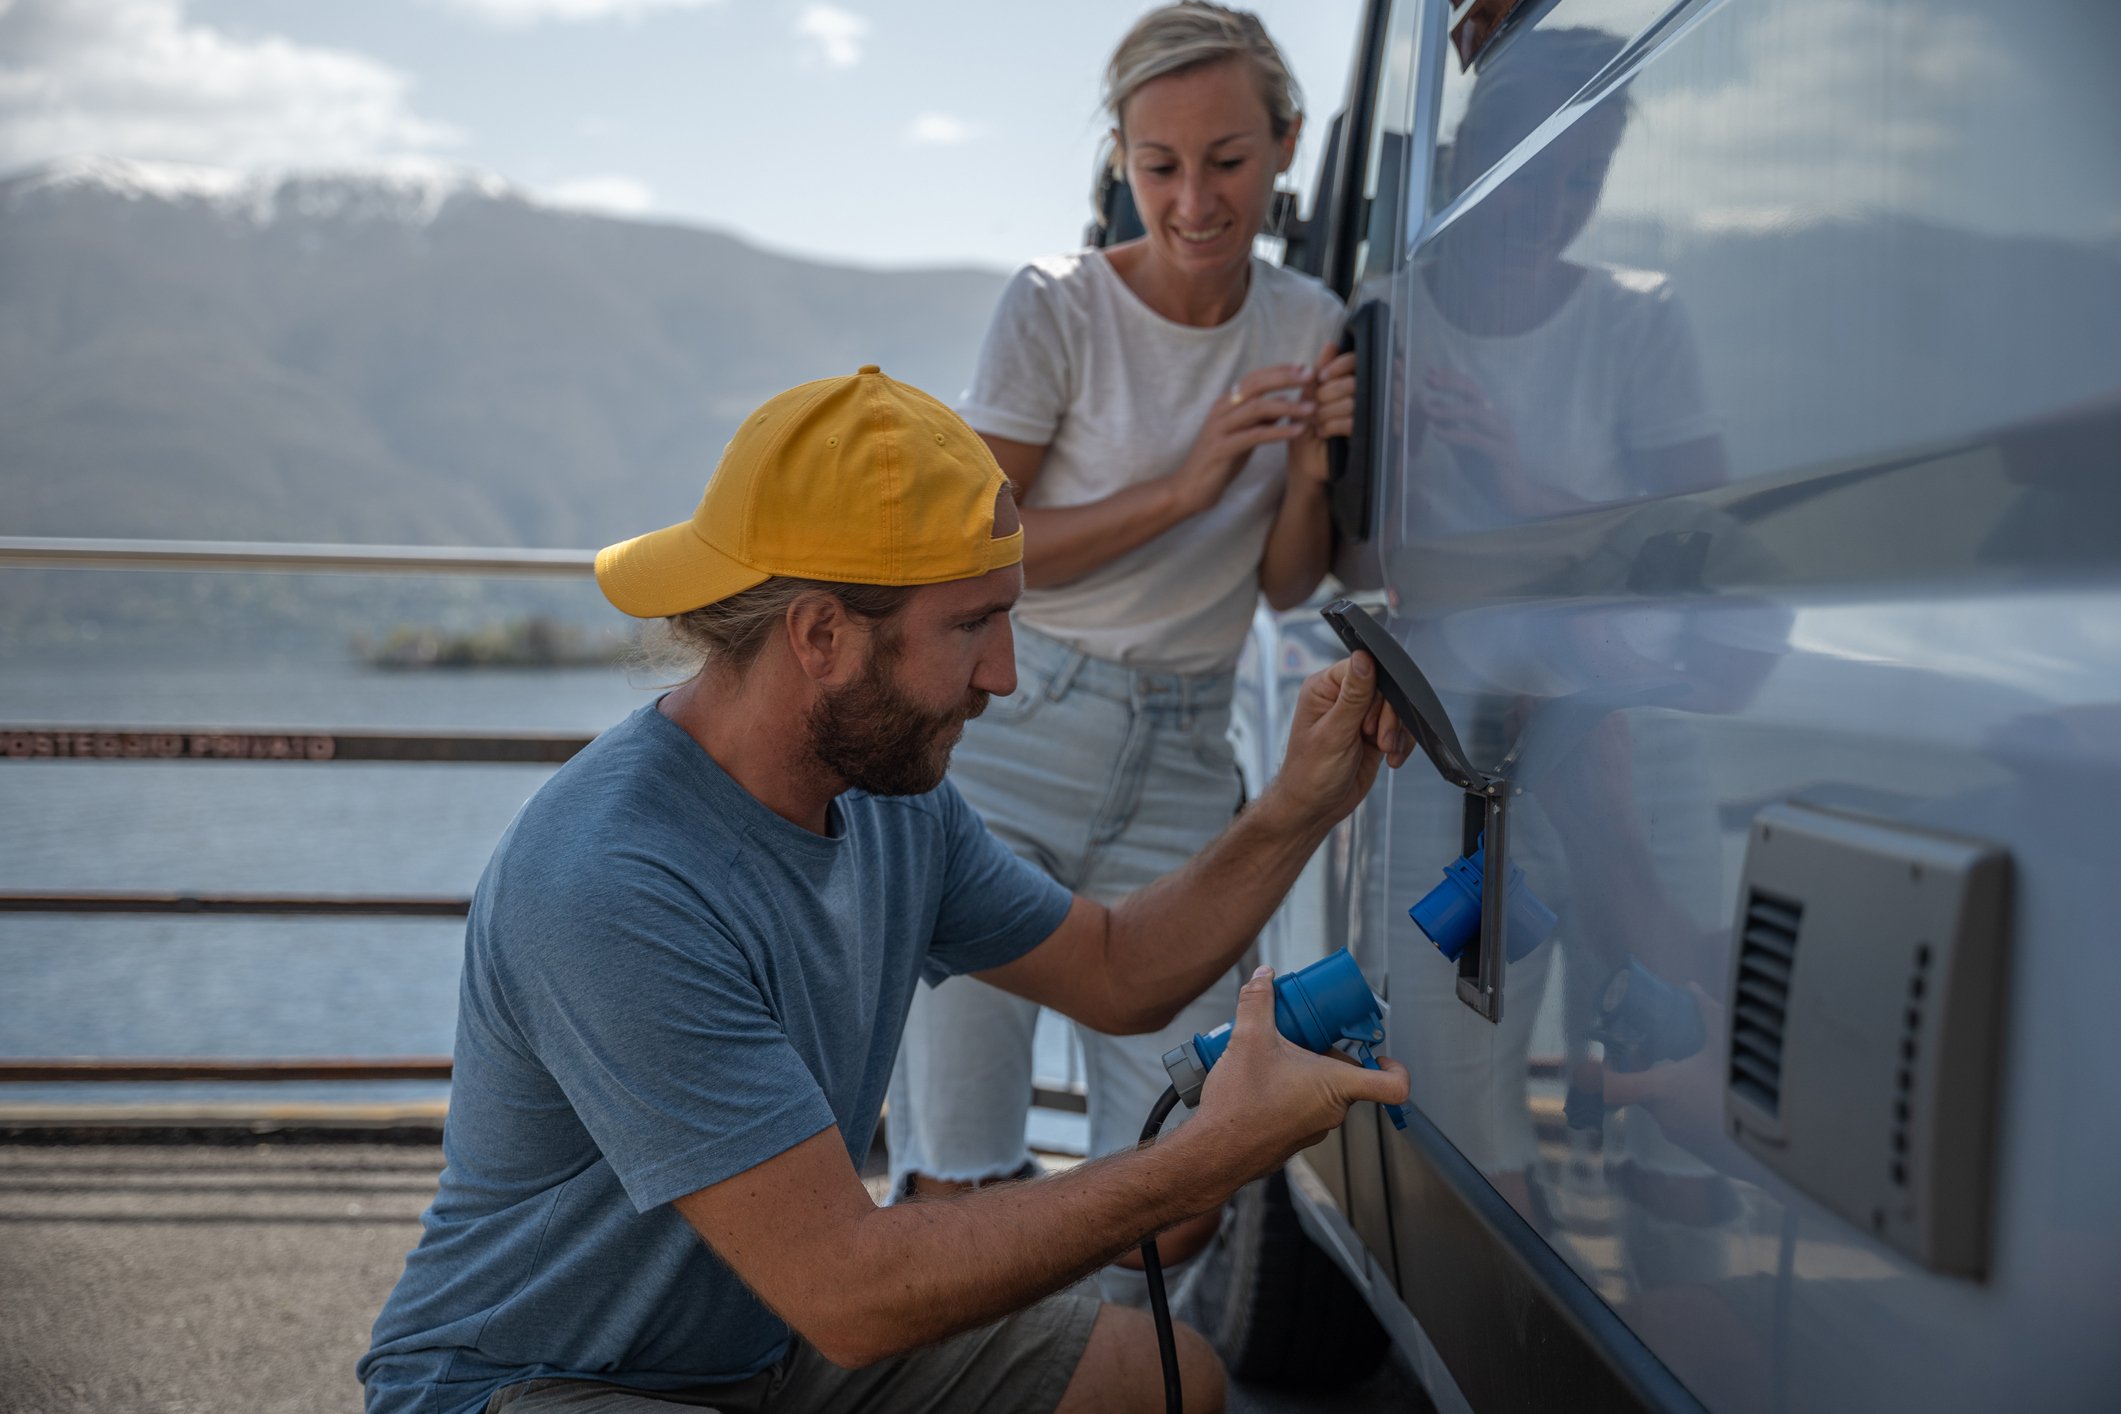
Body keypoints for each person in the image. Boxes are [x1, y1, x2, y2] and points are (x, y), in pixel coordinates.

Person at [357, 365, 1410, 1414]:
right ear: (821, 635)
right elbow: (852, 1293)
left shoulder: (889, 800)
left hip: (769, 1342)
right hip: (533, 1381)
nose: (1004, 674)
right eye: (971, 625)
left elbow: (1115, 968)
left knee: (1161, 1380)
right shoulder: (613, 880)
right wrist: (1211, 1154)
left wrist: (1300, 803)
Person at [884, 2, 1357, 1280]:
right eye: (1160, 165)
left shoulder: (1310, 321)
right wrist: (1186, 487)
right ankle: (996, 1366)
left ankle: (1093, 1362)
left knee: (1181, 1178)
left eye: (1229, 160)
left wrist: (1311, 472)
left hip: (1189, 757)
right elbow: (978, 550)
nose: (1196, 200)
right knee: (959, 1165)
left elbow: (1286, 584)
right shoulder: (1056, 307)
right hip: (1010, 738)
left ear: (1287, 145)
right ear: (1121, 161)